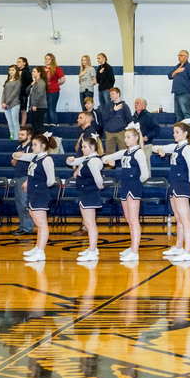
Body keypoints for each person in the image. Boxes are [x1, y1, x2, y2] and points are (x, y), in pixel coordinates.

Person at [102, 123, 151, 261]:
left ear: (136, 138)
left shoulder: (139, 152)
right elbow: (106, 157)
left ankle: (135, 252)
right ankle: (132, 247)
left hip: (133, 186)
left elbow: (145, 174)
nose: (126, 139)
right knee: (129, 219)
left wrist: (135, 182)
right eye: (125, 137)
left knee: (134, 220)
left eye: (128, 137)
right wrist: (108, 160)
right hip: (124, 186)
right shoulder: (125, 152)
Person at [12, 131, 58, 262]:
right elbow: (17, 156)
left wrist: (39, 185)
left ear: (43, 146)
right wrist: (18, 154)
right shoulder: (35, 157)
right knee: (38, 223)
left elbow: (51, 180)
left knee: (42, 224)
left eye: (35, 144)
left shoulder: (47, 159)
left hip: (40, 194)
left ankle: (41, 252)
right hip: (32, 193)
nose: (32, 147)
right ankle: (38, 247)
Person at [66, 134, 106, 262]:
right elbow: (70, 162)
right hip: (84, 193)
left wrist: (100, 186)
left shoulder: (93, 160)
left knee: (90, 223)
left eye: (84, 147)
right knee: (88, 223)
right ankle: (92, 248)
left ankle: (93, 251)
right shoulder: (86, 159)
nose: (82, 149)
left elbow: (98, 178)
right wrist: (69, 158)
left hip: (90, 193)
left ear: (92, 147)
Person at [10, 126, 34, 235]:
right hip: (18, 176)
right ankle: (22, 226)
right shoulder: (19, 146)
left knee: (24, 203)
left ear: (29, 136)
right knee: (19, 203)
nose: (20, 136)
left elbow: (32, 164)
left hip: (25, 177)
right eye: (19, 134)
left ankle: (27, 227)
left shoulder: (31, 147)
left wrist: (28, 179)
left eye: (22, 134)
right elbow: (13, 163)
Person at [168, 49, 190, 123]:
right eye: (178, 55)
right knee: (178, 113)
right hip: (176, 92)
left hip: (185, 92)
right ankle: (179, 129)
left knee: (185, 112)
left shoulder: (189, 67)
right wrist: (176, 71)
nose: (179, 57)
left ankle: (187, 129)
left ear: (186, 57)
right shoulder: (177, 67)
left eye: (181, 55)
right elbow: (169, 76)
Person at [102, 87, 131, 154]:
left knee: (123, 152)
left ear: (118, 94)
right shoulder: (107, 106)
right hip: (109, 132)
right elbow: (104, 117)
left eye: (113, 94)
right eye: (110, 94)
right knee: (109, 153)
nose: (111, 96)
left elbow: (129, 119)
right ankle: (110, 165)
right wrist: (113, 110)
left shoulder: (124, 106)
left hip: (121, 132)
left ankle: (123, 164)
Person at [42, 53, 65, 125]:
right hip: (44, 91)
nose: (47, 60)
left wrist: (55, 84)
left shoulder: (57, 69)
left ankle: (54, 123)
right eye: (46, 59)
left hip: (53, 91)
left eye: (49, 59)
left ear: (52, 60)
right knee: (45, 108)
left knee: (51, 108)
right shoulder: (42, 69)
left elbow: (62, 79)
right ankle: (45, 122)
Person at [1, 65, 22, 139]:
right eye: (10, 70)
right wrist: (2, 102)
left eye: (13, 70)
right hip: (6, 105)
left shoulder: (18, 81)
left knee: (15, 122)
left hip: (14, 104)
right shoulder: (7, 81)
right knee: (10, 123)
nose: (11, 71)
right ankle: (12, 136)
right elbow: (4, 92)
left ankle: (17, 137)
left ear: (16, 71)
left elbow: (15, 93)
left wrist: (7, 102)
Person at [27, 65, 47, 131]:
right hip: (34, 106)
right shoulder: (35, 82)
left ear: (39, 73)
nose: (32, 73)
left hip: (39, 106)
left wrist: (35, 104)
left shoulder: (41, 82)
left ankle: (40, 138)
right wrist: (31, 85)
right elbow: (26, 91)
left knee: (38, 125)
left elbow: (40, 94)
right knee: (34, 125)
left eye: (34, 71)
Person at [15, 56, 30, 127]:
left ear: (24, 63)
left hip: (23, 93)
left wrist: (26, 90)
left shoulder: (26, 71)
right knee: (18, 109)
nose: (18, 63)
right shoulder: (17, 71)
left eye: (19, 62)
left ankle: (23, 124)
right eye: (17, 62)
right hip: (16, 93)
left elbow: (30, 82)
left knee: (23, 109)